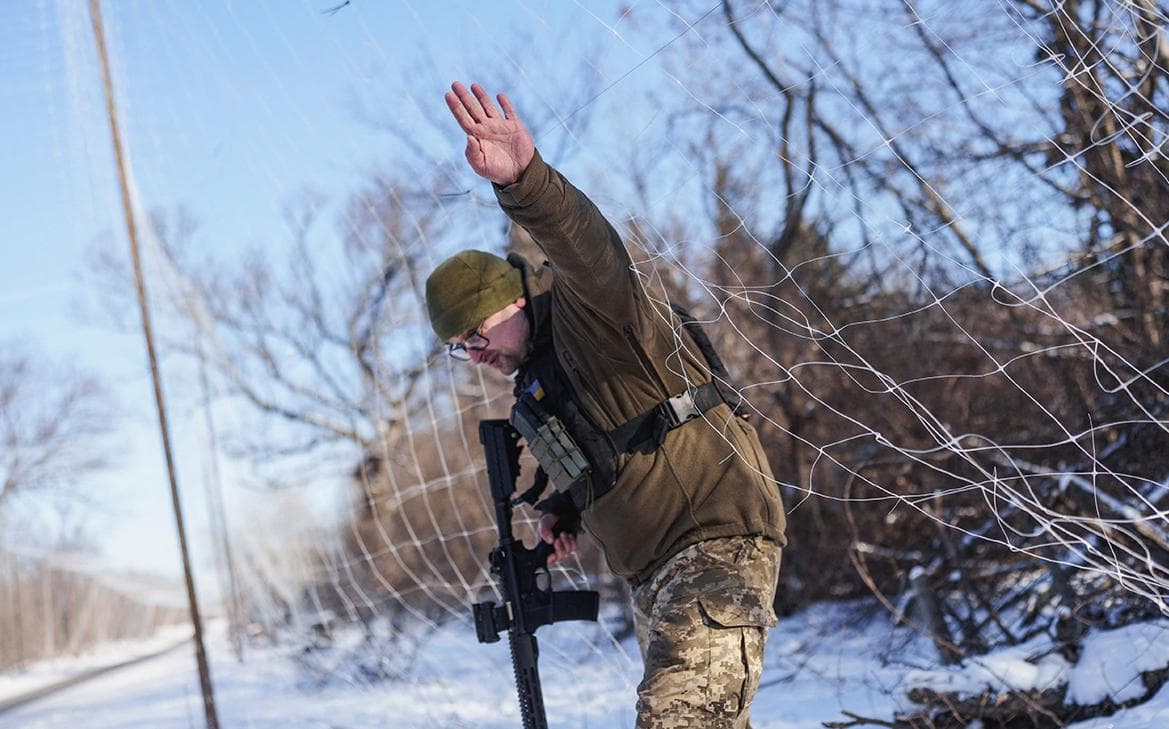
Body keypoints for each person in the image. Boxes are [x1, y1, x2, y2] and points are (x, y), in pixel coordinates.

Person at [426, 81, 787, 728]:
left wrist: (525, 182)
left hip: (712, 536)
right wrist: (562, 508)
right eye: (460, 347)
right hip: (656, 571)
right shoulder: (538, 378)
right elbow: (605, 441)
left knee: (676, 718)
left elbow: (589, 253)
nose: (474, 354)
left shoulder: (590, 316)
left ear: (512, 300)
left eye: (476, 333)